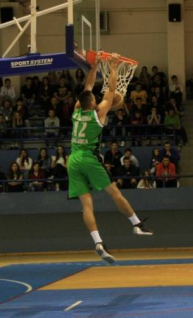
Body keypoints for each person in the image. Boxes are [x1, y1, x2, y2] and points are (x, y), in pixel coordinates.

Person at [67, 53, 153, 265]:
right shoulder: (98, 114)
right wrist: (113, 67)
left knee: (87, 205)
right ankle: (136, 224)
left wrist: (95, 66)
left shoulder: (76, 112)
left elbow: (87, 88)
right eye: (95, 99)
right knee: (114, 193)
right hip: (88, 157)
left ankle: (97, 241)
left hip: (72, 160)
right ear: (93, 102)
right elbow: (111, 91)